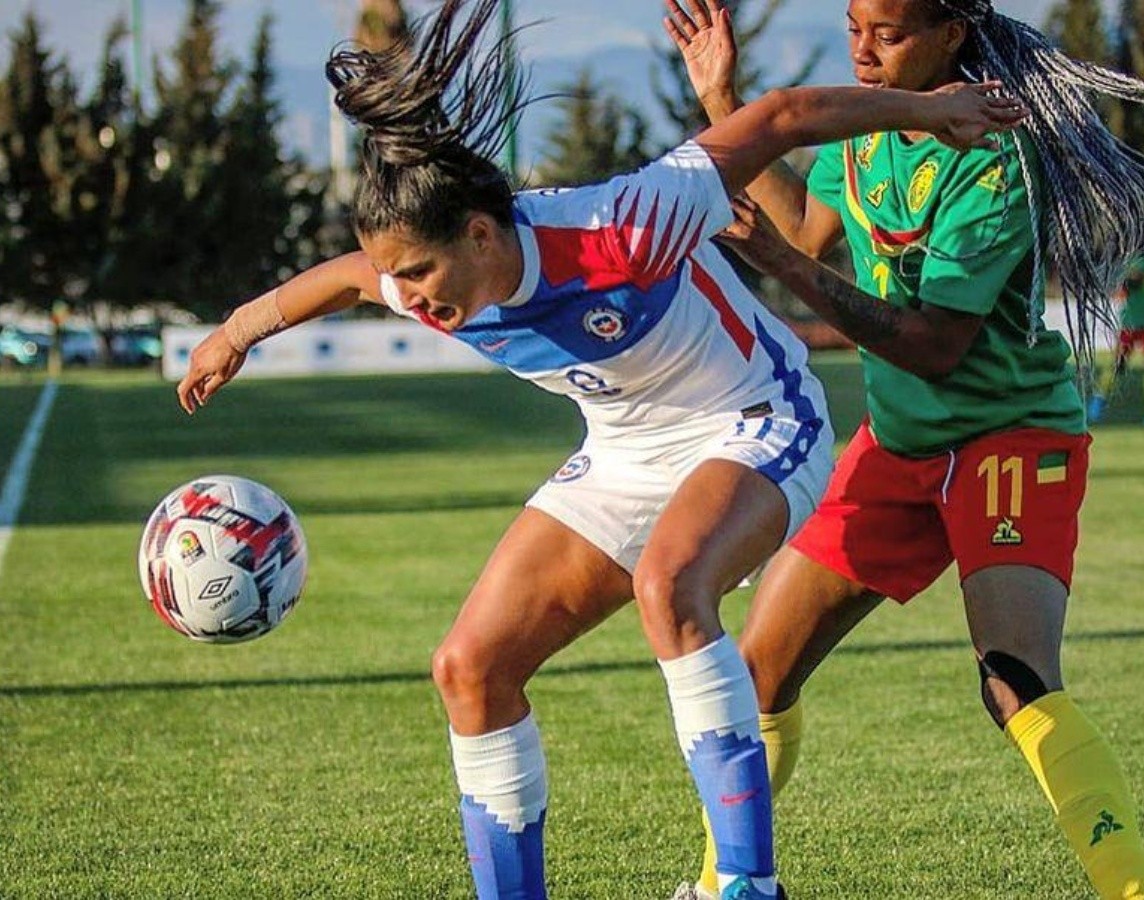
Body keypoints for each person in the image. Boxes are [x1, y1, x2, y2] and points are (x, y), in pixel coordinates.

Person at [174, 3, 1022, 898]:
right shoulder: (422, 272)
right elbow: (348, 280)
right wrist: (238, 331)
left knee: (670, 585)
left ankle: (746, 887)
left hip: (756, 419)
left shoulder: (622, 226)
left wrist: (933, 112)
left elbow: (781, 121)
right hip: (626, 453)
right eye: (403, 283)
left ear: (480, 235)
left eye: (421, 278)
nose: (412, 301)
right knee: (470, 668)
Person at [664, 0, 1144, 898]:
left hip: (1008, 442)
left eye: (889, 33)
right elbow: (806, 232)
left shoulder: (993, 152)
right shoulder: (866, 131)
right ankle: (724, 887)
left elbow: (931, 344)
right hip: (899, 445)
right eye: (854, 27)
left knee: (1014, 680)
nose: (862, 53)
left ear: (952, 35)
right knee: (754, 676)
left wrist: (791, 276)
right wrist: (723, 98)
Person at [1088, 252, 1144, 427]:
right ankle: (1098, 401)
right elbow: (1126, 286)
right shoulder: (1136, 260)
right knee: (1121, 363)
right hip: (1134, 321)